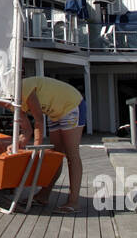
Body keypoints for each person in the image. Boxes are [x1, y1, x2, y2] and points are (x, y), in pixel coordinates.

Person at [13, 75, 85, 212]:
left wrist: (37, 148)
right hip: (54, 112)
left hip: (71, 104)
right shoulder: (9, 101)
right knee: (56, 156)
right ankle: (43, 195)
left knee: (72, 154)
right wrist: (20, 141)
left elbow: (38, 120)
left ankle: (74, 201)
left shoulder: (24, 88)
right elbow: (27, 129)